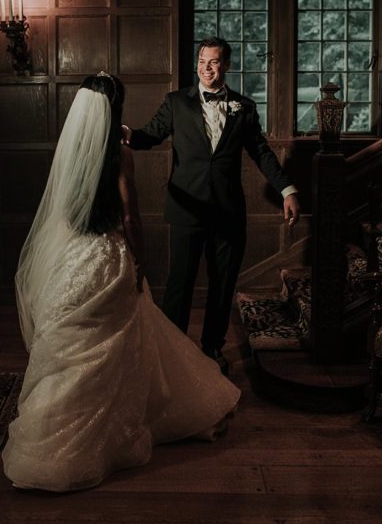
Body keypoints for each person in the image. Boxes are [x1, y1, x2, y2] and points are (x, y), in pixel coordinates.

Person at [3, 73, 240, 492]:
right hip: (106, 257)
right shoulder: (118, 154)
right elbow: (129, 216)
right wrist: (139, 258)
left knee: (68, 351)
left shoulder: (71, 149)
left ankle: (49, 434)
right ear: (114, 110)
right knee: (125, 340)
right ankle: (121, 426)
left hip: (70, 260)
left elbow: (63, 213)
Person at [123, 37, 300, 375]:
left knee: (222, 284)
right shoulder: (176, 102)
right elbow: (151, 135)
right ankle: (173, 350)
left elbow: (261, 152)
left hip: (228, 212)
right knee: (180, 283)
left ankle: (212, 348)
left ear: (226, 66)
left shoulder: (244, 107)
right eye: (202, 61)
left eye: (214, 62)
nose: (206, 67)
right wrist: (128, 133)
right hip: (186, 209)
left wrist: (287, 190)